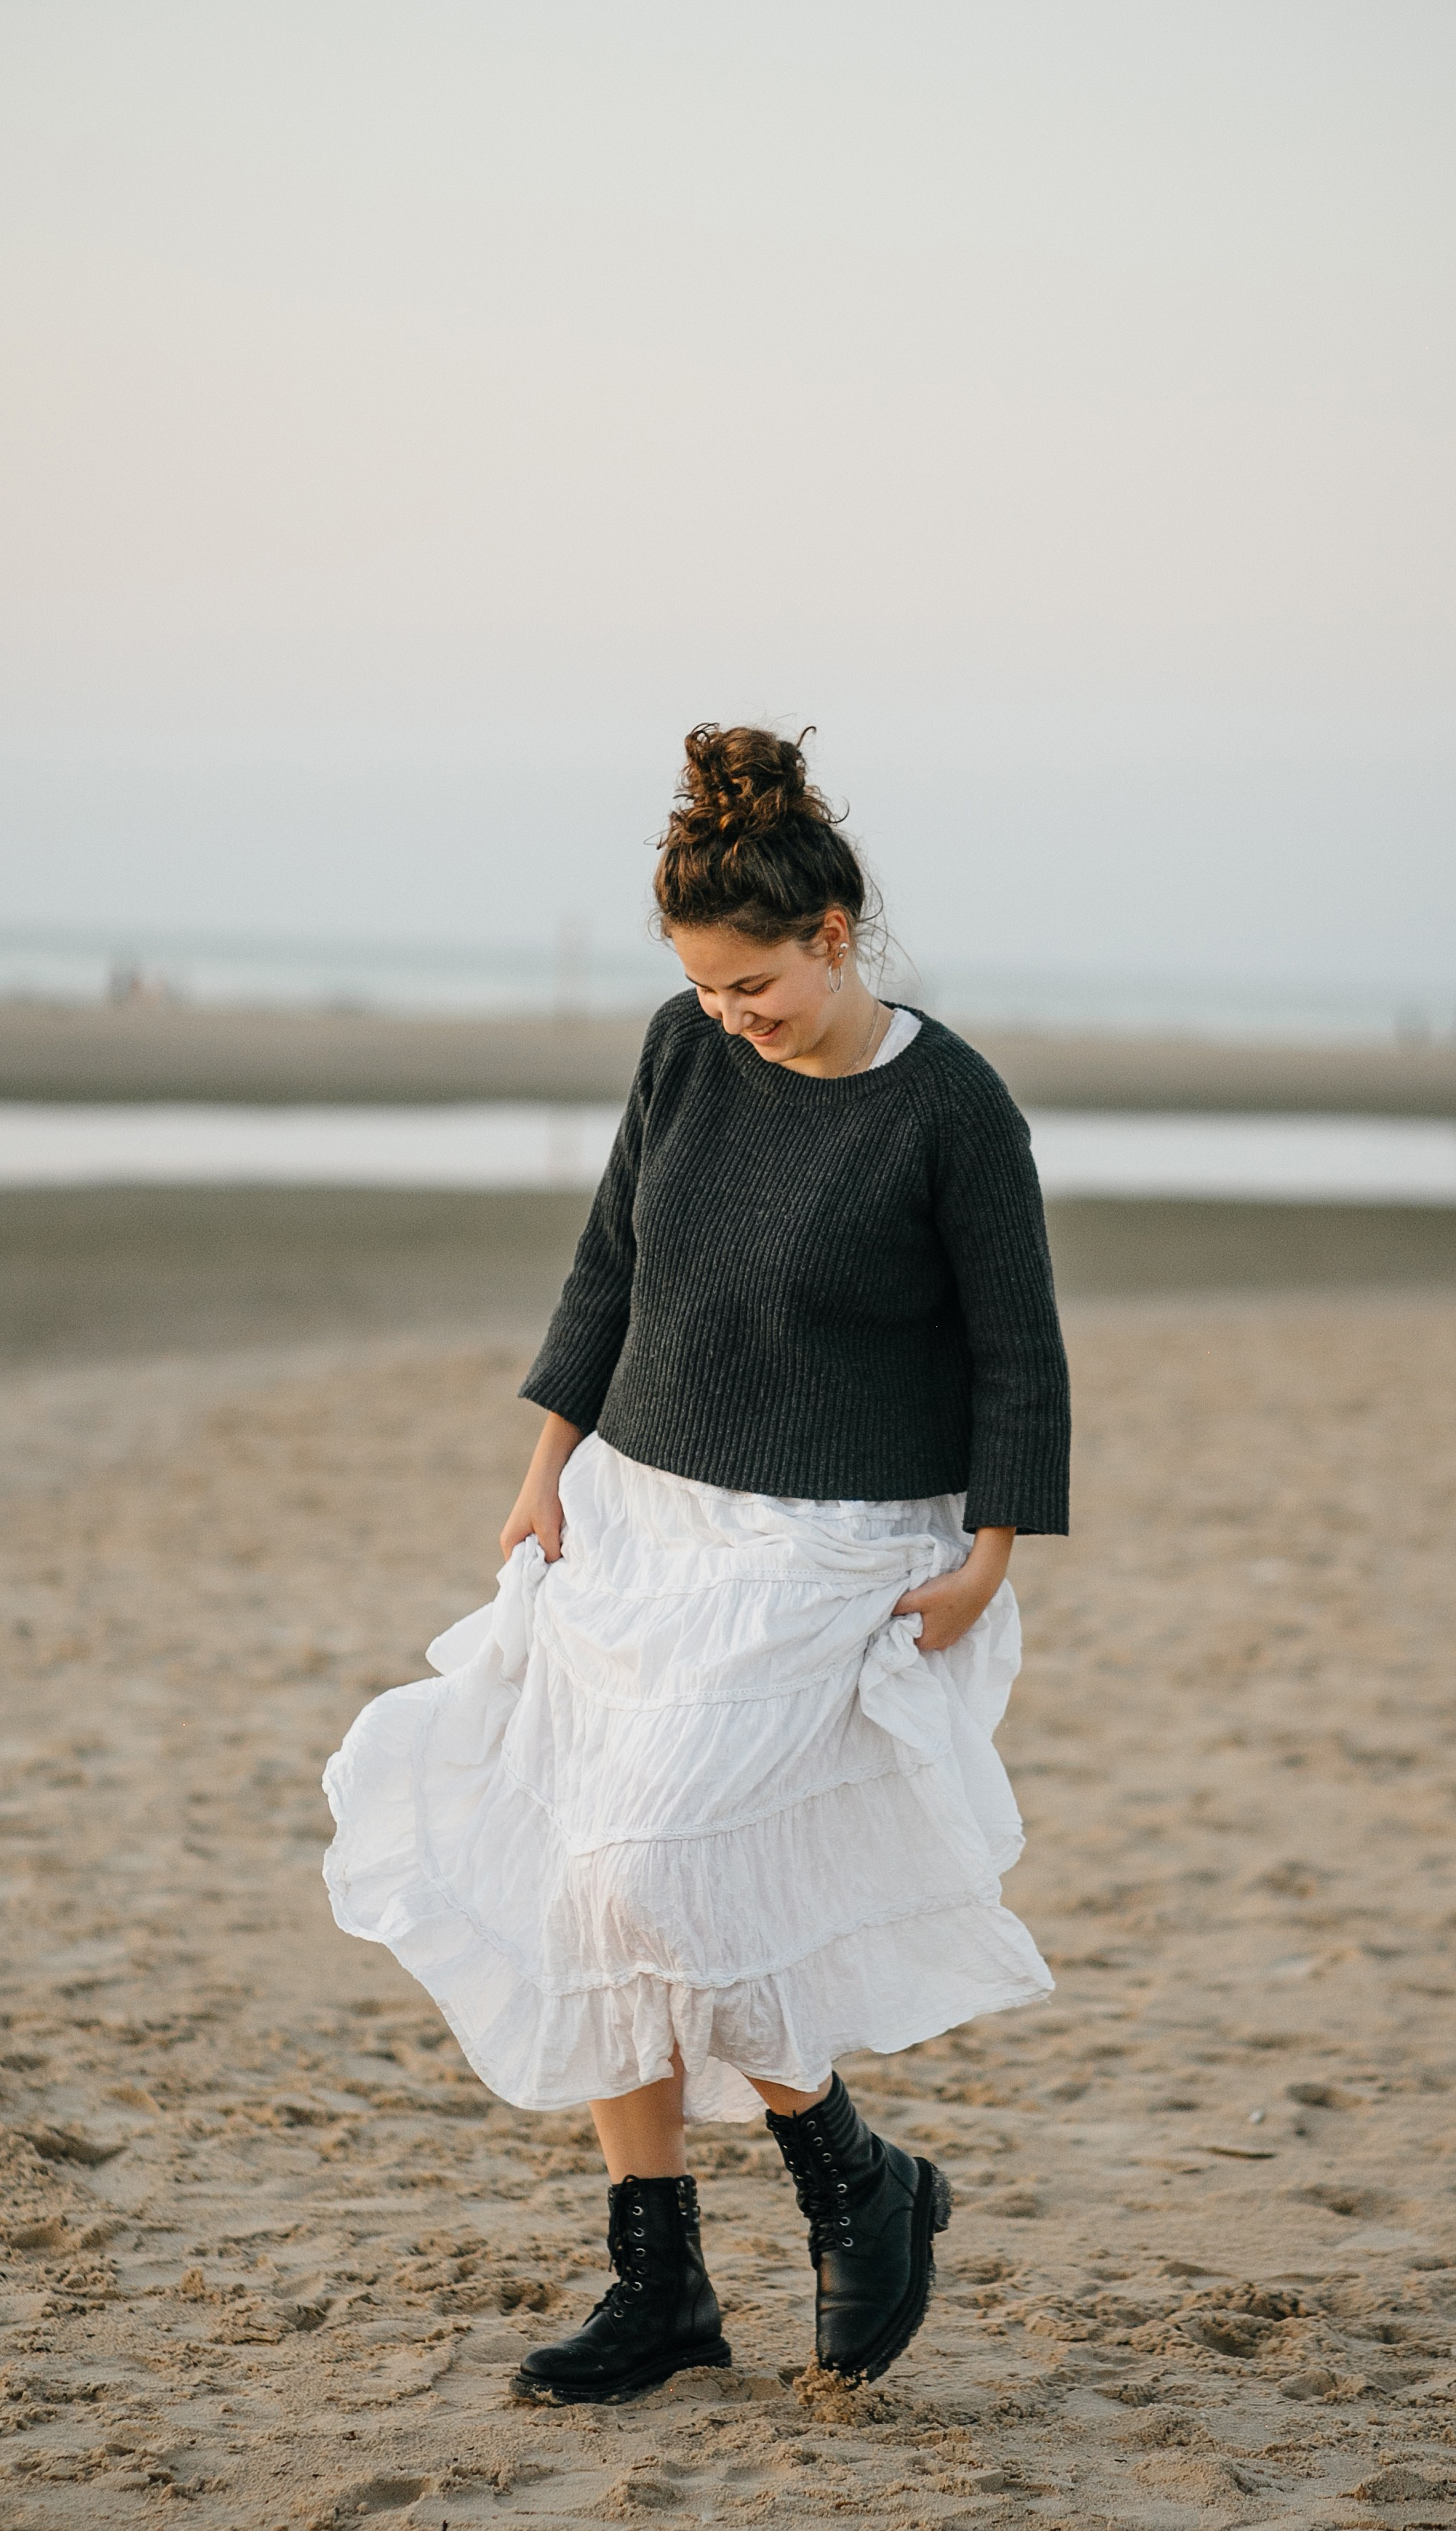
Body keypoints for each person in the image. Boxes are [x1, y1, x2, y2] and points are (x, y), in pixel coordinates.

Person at [323, 723, 1070, 2402]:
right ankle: (657, 2277)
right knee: (589, 1881)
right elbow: (611, 1263)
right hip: (641, 1513)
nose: (732, 1019)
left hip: (832, 1546)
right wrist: (544, 1464)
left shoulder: (949, 1108)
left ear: (832, 935)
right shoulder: (679, 1050)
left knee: (669, 1872)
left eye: (758, 988)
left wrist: (991, 1560)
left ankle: (852, 2176)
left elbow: (1019, 1352)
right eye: (708, 991)